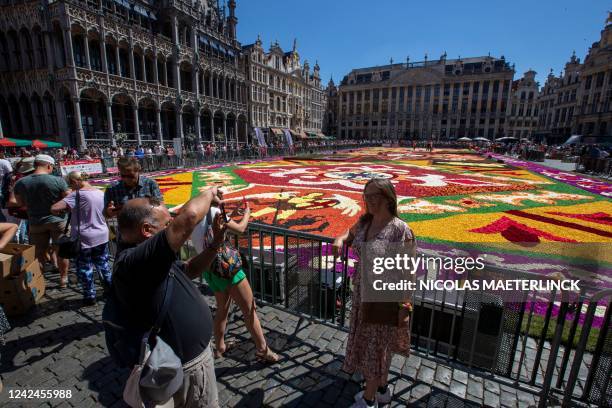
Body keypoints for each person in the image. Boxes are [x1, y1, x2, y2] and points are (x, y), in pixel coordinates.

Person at [112, 187, 223, 407]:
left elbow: (189, 270)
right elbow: (189, 217)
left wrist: (214, 246)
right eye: (166, 225)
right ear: (146, 229)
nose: (170, 228)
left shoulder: (150, 258)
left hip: (189, 362)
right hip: (179, 369)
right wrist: (210, 193)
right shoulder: (135, 261)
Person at [333, 178, 416, 408]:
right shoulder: (365, 223)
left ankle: (369, 402)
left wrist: (405, 307)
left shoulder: (400, 230)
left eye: (372, 196)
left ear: (388, 198)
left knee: (376, 350)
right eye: (365, 196)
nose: (367, 200)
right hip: (362, 296)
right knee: (375, 347)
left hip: (384, 299)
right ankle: (381, 390)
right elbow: (348, 236)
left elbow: (407, 273)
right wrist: (339, 240)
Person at [191, 196, 279, 362]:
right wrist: (246, 214)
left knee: (222, 310)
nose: (222, 199)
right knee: (249, 309)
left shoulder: (195, 215)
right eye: (220, 196)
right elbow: (240, 229)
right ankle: (263, 350)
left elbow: (208, 227)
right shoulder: (216, 211)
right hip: (227, 269)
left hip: (210, 270)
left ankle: (219, 348)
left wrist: (231, 214)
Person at [51, 171, 112, 306]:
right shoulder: (100, 192)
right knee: (103, 264)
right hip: (101, 234)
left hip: (83, 237)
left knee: (85, 267)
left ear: (74, 182)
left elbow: (54, 208)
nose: (70, 187)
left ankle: (90, 295)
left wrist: (66, 209)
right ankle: (110, 289)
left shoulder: (76, 195)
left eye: (70, 184)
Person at [13, 155, 70, 286]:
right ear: (48, 166)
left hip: (35, 222)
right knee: (62, 250)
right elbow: (68, 200)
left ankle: (40, 281)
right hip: (58, 220)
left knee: (39, 254)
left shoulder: (21, 182)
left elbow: (19, 203)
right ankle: (63, 279)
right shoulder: (58, 180)